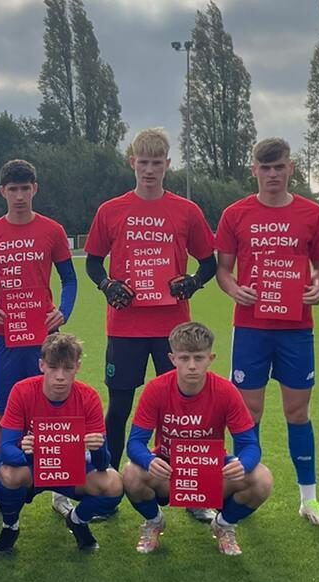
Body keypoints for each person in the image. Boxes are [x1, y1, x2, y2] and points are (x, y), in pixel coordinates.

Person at [84, 128, 218, 521]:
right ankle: (107, 492)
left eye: (156, 163)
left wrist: (192, 282)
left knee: (185, 408)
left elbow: (208, 262)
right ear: (132, 163)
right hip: (125, 327)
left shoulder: (186, 211)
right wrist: (107, 285)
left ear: (167, 165)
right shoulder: (111, 210)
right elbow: (93, 262)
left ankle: (194, 492)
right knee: (119, 409)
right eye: (143, 162)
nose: (149, 170)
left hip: (172, 329)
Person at [214, 138, 319, 526]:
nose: (272, 174)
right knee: (249, 413)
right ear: (254, 170)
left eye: (279, 167)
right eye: (264, 168)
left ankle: (309, 499)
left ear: (290, 168)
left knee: (297, 412)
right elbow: (223, 270)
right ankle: (244, 490)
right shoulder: (235, 214)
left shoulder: (312, 213)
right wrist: (235, 290)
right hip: (251, 328)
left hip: (296, 328)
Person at [121, 322, 273, 556]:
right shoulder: (156, 389)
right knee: (131, 473)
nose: (192, 366)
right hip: (169, 470)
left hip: (211, 470)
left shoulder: (226, 391)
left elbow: (249, 444)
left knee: (262, 479)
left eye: (199, 358)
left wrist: (244, 464)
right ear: (172, 358)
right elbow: (134, 443)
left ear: (210, 358)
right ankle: (154, 522)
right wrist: (148, 461)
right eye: (184, 358)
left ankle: (224, 525)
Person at [0, 159, 76, 498]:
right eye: (13, 189)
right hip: (5, 339)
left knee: (54, 410)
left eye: (25, 189)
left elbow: (70, 279)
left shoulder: (52, 230)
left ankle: (61, 488)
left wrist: (63, 311)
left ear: (35, 189)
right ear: (2, 191)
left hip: (43, 339)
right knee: (1, 414)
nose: (19, 196)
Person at [0, 333, 122, 555]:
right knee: (8, 473)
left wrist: (98, 447)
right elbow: (5, 449)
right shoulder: (22, 391)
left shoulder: (88, 397)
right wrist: (27, 453)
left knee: (114, 484)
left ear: (77, 367)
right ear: (41, 365)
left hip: (71, 470)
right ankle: (10, 526)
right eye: (53, 367)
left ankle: (77, 520)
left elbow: (102, 463)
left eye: (68, 368)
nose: (60, 376)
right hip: (34, 468)